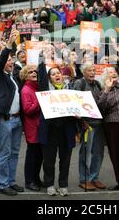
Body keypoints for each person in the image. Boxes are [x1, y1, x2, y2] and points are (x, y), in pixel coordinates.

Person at [0, 30, 24, 196]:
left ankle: (11, 181)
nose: (11, 62)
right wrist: (8, 46)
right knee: (4, 153)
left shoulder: (12, 77)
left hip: (17, 120)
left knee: (14, 153)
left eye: (12, 60)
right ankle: (2, 184)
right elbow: (0, 61)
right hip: (3, 120)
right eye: (9, 60)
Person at [38, 63, 77, 197]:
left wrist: (77, 112)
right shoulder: (45, 89)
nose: (56, 75)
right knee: (49, 160)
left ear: (62, 75)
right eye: (53, 74)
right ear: (49, 78)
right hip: (49, 130)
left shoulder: (70, 88)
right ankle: (49, 184)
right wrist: (42, 58)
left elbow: (76, 105)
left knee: (65, 160)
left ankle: (63, 185)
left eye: (58, 73)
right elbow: (41, 74)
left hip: (66, 129)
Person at [72, 63, 106, 191]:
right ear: (84, 72)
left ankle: (94, 177)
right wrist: (81, 122)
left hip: (100, 124)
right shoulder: (79, 83)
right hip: (87, 124)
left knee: (98, 153)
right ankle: (84, 179)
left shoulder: (97, 84)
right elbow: (74, 103)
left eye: (94, 70)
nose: (93, 72)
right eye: (90, 70)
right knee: (86, 153)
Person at [20, 65, 43, 192]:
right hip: (32, 127)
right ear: (25, 76)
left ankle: (36, 178)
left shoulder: (37, 87)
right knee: (32, 156)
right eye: (30, 72)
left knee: (39, 155)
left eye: (35, 71)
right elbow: (28, 110)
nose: (34, 73)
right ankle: (29, 181)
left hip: (40, 126)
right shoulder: (26, 90)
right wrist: (40, 100)